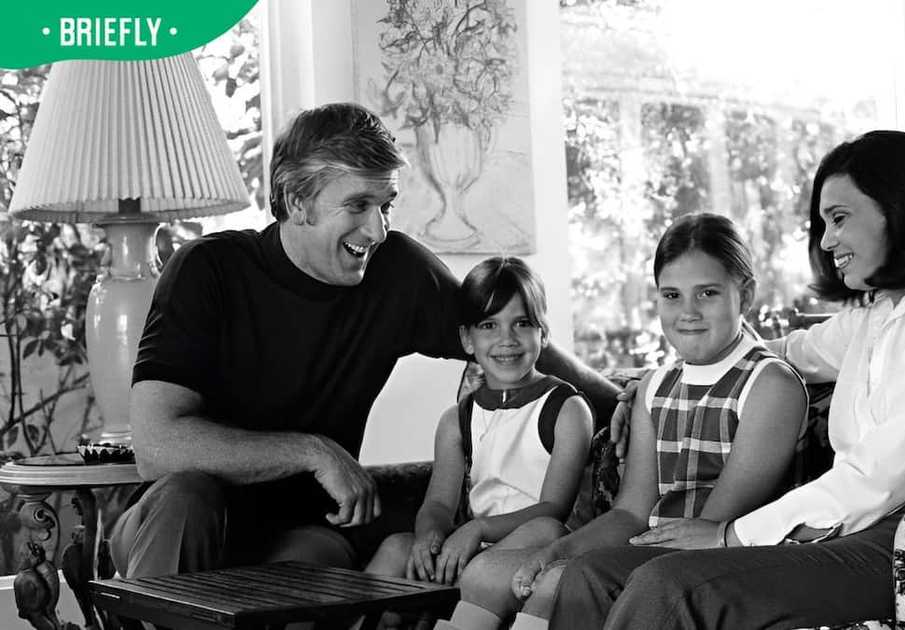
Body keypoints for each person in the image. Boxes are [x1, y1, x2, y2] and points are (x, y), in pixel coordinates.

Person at [109, 102, 619, 579]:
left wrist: (626, 402)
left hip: (305, 528)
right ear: (295, 200)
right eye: (357, 205)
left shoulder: (396, 270)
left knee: (319, 559)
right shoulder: (209, 269)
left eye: (386, 205)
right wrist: (315, 452)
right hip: (178, 524)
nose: (376, 230)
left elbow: (507, 334)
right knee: (186, 496)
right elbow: (157, 447)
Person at [556, 130, 905, 629]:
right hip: (855, 530)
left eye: (839, 219)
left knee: (670, 585)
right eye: (824, 223)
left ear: (901, 209)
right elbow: (773, 353)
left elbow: (879, 477)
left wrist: (731, 535)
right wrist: (658, 380)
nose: (826, 241)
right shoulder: (881, 315)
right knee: (592, 574)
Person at [440, 213, 807, 630]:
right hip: (655, 547)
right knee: (522, 571)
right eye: (671, 295)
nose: (687, 312)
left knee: (563, 580)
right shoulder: (655, 386)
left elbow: (711, 528)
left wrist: (568, 562)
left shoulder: (769, 384)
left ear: (746, 293)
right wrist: (556, 550)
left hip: (722, 558)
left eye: (707, 293)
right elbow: (631, 512)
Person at [365, 256, 593, 598]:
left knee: (545, 529)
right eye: (489, 325)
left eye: (522, 323)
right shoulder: (456, 420)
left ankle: (462, 595)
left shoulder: (566, 409)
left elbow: (554, 509)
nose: (507, 339)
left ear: (543, 333)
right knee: (396, 547)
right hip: (476, 543)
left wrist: (479, 528)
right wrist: (430, 536)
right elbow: (438, 505)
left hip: (534, 547)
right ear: (467, 339)